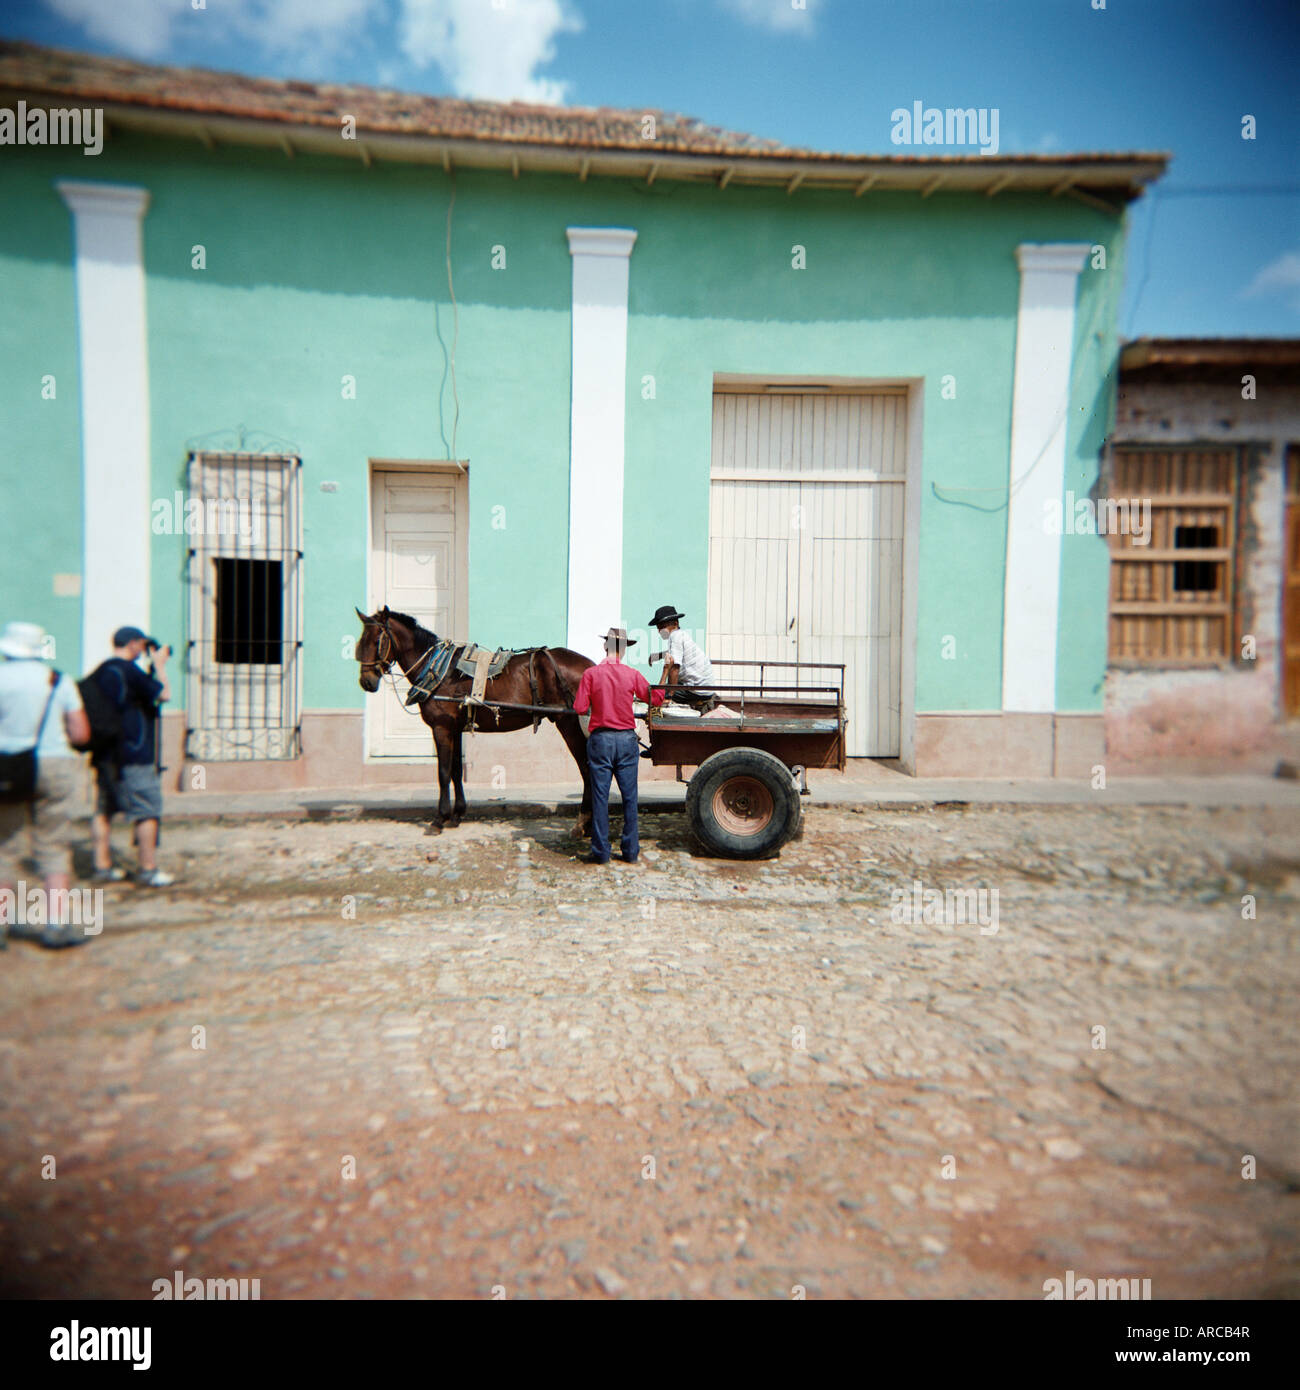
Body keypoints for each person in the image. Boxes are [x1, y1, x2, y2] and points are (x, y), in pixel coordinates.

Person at [0, 621, 93, 948]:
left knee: (4, 845)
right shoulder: (58, 680)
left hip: (7, 767)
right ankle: (55, 925)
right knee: (54, 846)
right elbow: (81, 734)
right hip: (54, 764)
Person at [88, 626, 174, 887]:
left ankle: (102, 866)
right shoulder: (129, 672)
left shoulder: (101, 671)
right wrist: (159, 665)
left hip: (105, 752)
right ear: (134, 644)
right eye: (142, 644)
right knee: (146, 809)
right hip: (134, 752)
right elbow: (163, 694)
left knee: (104, 810)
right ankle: (147, 869)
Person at [572, 628, 664, 865]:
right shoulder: (632, 674)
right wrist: (665, 675)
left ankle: (601, 853)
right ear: (623, 650)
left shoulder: (590, 674)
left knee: (600, 798)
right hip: (625, 740)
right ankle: (630, 851)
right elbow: (655, 698)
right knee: (630, 797)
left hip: (601, 740)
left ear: (605, 647)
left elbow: (580, 708)